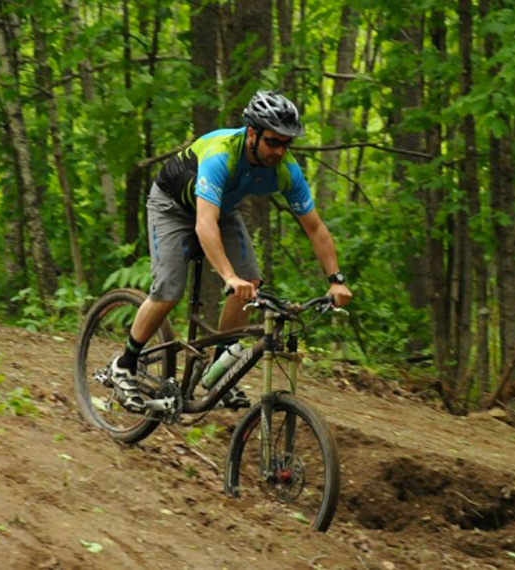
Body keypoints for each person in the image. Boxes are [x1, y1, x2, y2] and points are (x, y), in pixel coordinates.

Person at [110, 90, 352, 411]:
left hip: (221, 210)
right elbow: (204, 224)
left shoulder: (286, 171)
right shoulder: (221, 154)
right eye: (273, 141)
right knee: (169, 290)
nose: (280, 151)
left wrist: (335, 278)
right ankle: (124, 363)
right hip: (171, 205)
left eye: (286, 143)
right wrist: (228, 276)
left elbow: (315, 228)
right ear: (252, 133)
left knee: (251, 281)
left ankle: (220, 367)